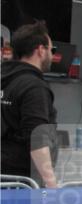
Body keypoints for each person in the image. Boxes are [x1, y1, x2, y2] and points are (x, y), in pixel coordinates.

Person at [0, 21, 59, 188]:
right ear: (40, 50)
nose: (52, 55)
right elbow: (37, 139)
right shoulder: (34, 87)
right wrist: (51, 184)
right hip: (22, 183)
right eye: (51, 49)